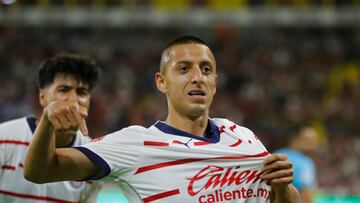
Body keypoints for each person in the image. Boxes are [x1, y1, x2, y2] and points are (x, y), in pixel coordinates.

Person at [24, 36, 299, 203]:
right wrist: (48, 122)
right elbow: (39, 171)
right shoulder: (135, 145)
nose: (197, 77)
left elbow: (282, 199)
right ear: (161, 81)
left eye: (206, 70)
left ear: (214, 83)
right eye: (183, 69)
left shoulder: (243, 136)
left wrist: (283, 187)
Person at [0, 53, 102, 203]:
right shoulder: (4, 139)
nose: (73, 100)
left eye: (81, 92)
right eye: (64, 89)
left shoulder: (94, 156)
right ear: (42, 97)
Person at [275, 126, 318, 203]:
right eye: (307, 140)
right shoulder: (305, 162)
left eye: (314, 140)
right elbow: (306, 194)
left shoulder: (276, 154)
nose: (312, 144)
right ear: (295, 139)